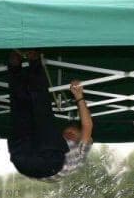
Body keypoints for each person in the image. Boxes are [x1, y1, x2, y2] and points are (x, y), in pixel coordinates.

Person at [7, 50, 93, 182]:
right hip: (26, 161)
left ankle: (33, 63)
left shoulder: (72, 150)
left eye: (70, 133)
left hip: (40, 162)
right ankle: (16, 67)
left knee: (39, 111)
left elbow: (87, 126)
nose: (69, 134)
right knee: (23, 113)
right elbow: (86, 126)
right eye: (70, 133)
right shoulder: (77, 154)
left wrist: (79, 96)